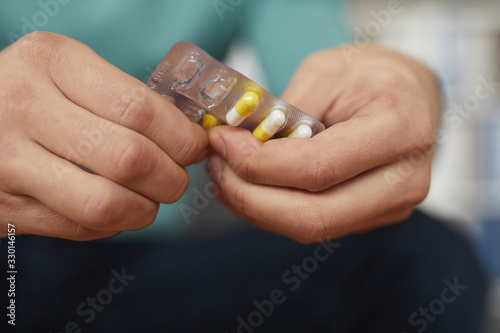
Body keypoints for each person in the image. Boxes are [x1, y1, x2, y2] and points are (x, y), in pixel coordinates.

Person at [0, 1, 487, 332]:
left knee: (423, 259)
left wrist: (405, 79)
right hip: (14, 259)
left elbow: (329, 64)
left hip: (153, 261)